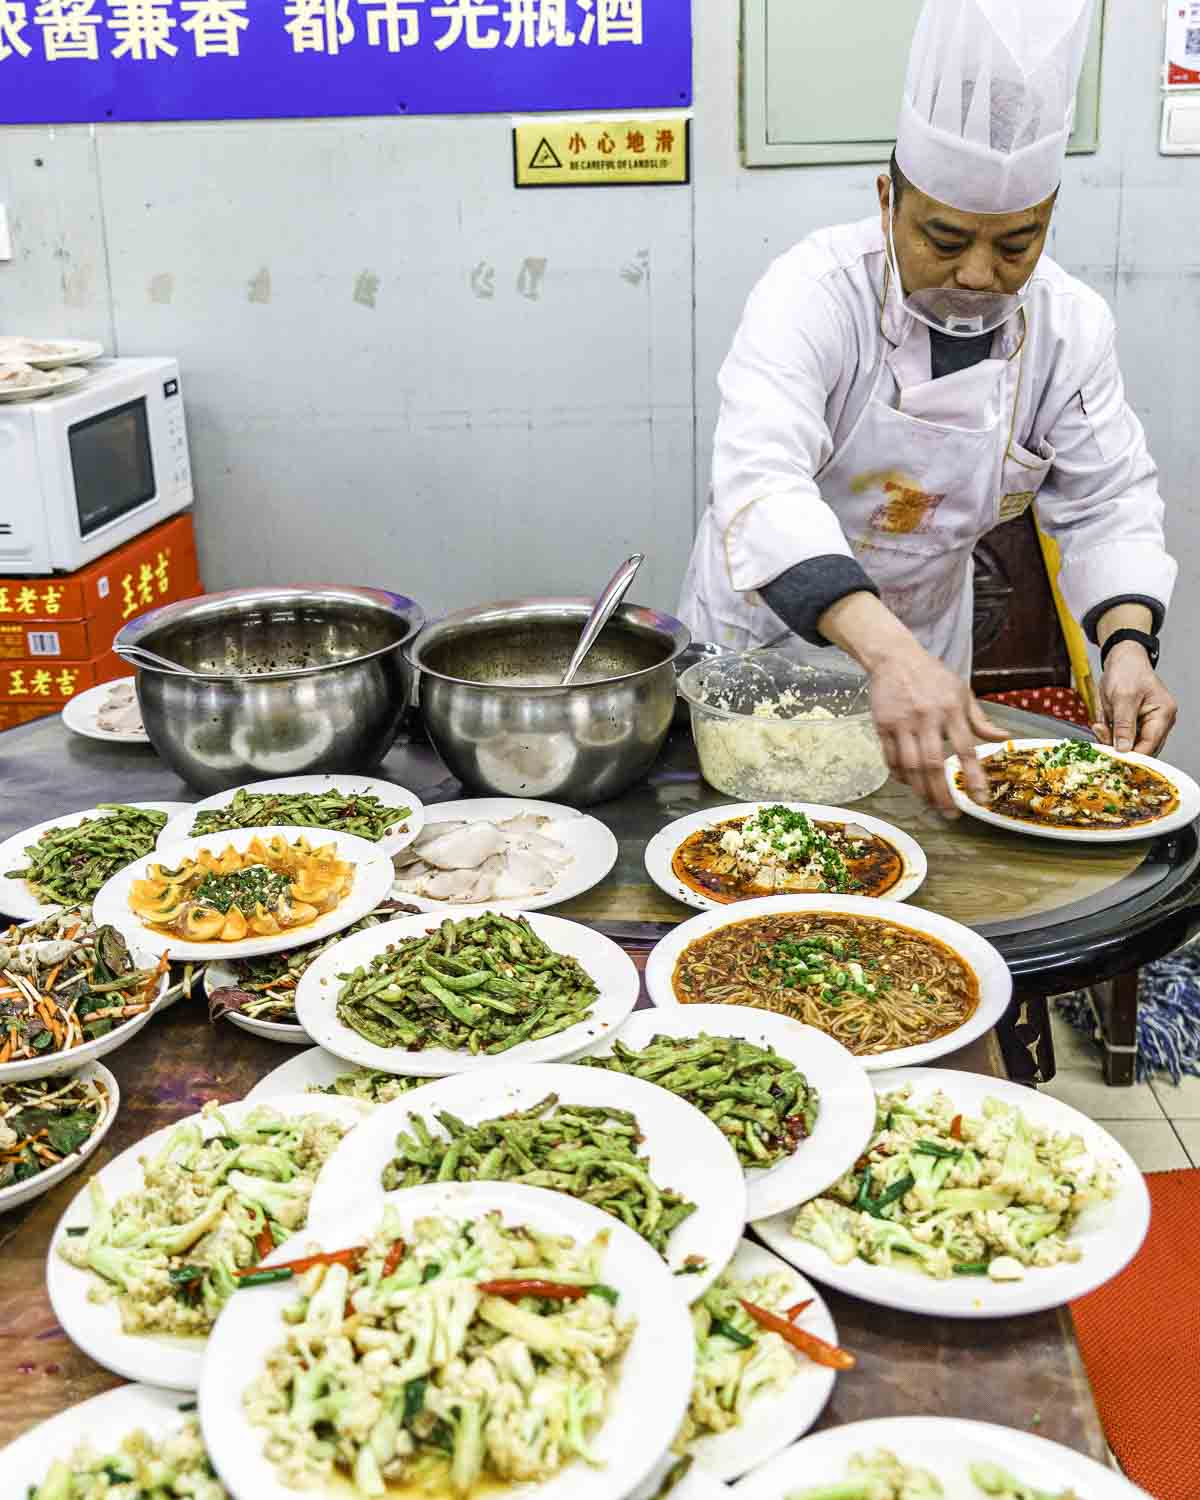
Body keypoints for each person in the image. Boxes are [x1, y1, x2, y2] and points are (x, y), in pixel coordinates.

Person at [678, 0, 1178, 812]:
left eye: (1016, 245)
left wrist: (1126, 644)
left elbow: (1109, 503)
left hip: (929, 665)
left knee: (915, 862)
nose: (979, 275)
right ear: (888, 200)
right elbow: (761, 485)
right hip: (765, 647)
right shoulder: (813, 294)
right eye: (944, 241)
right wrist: (886, 657)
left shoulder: (1069, 324)